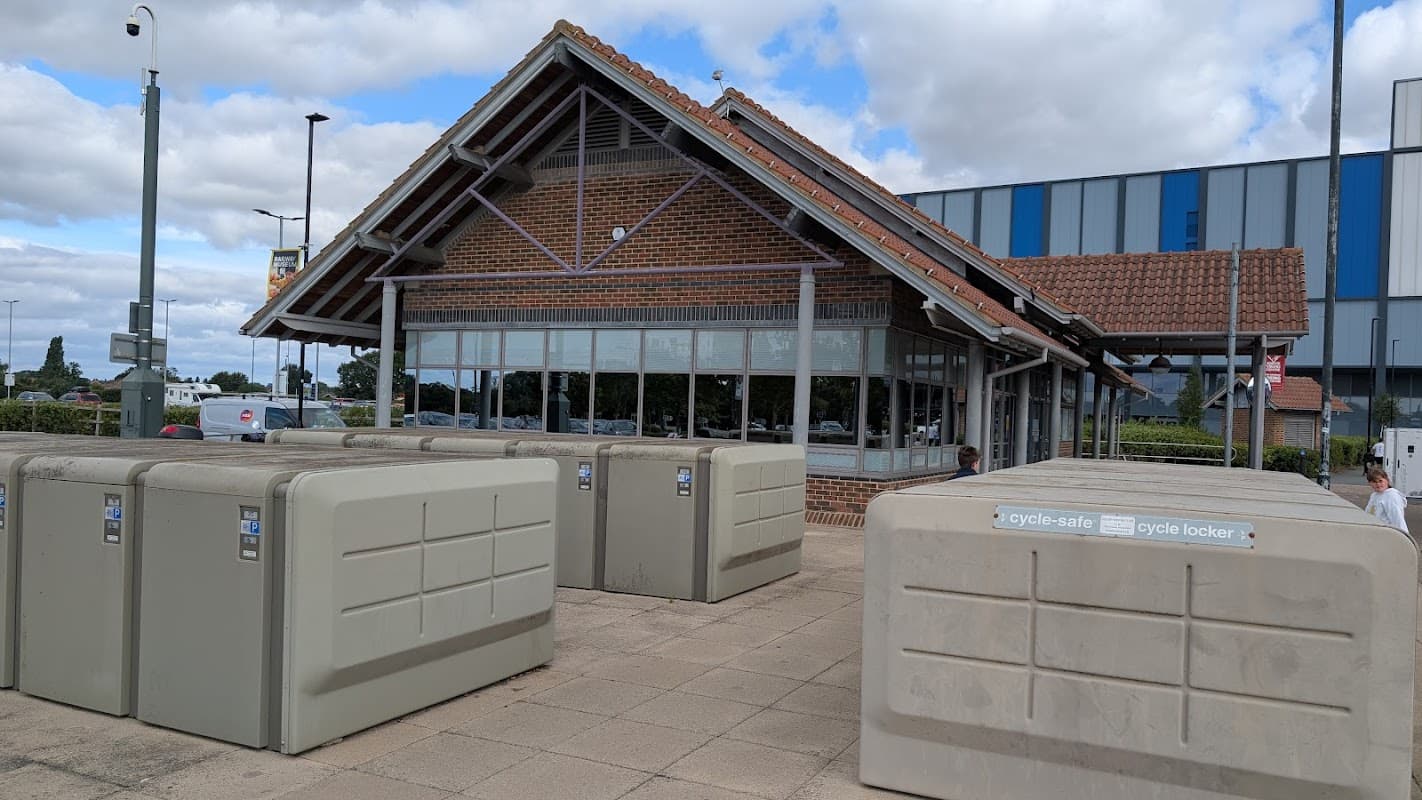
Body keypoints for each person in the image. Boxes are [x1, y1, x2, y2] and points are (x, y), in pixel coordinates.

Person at [1364, 467, 1410, 536]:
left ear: (1387, 480)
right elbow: (1368, 513)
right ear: (1370, 483)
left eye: (1380, 481)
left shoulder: (1391, 496)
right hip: (1374, 533)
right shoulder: (1374, 495)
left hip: (1387, 535)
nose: (1378, 484)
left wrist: (1404, 537)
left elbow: (1397, 519)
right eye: (1374, 482)